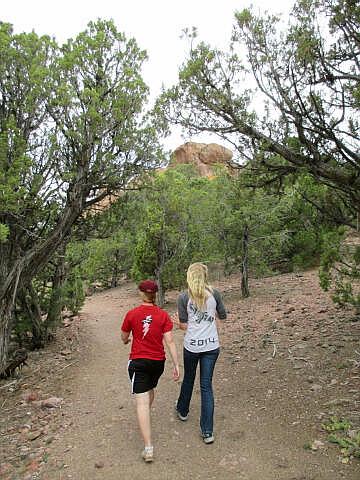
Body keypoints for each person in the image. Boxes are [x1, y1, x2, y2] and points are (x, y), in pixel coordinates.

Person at [121, 279, 180, 462]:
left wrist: (126, 341)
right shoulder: (163, 315)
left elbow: (124, 336)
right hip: (157, 363)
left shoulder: (132, 314)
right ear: (154, 294)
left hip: (138, 361)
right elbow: (169, 341)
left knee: (141, 402)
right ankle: (145, 411)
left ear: (141, 293)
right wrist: (177, 364)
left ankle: (148, 448)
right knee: (149, 390)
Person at [174, 263, 227, 444]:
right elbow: (223, 316)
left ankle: (183, 410)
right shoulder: (215, 294)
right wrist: (210, 319)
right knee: (206, 386)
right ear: (205, 276)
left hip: (192, 346)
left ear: (189, 276)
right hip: (212, 346)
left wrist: (178, 324)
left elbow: (184, 325)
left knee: (189, 378)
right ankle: (207, 431)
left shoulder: (183, 297)